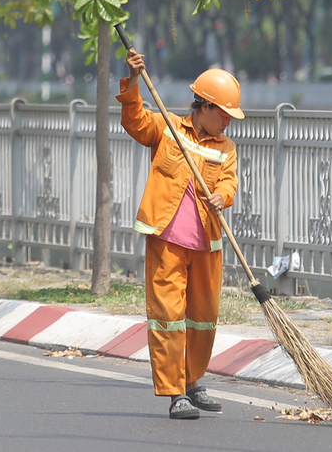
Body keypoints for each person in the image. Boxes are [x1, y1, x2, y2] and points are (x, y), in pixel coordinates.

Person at [116, 51, 243, 419]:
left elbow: (231, 181)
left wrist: (223, 195)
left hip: (207, 245)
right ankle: (175, 394)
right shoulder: (168, 129)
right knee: (169, 317)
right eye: (224, 114)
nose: (228, 122)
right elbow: (136, 121)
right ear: (204, 107)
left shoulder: (226, 148)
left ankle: (193, 381)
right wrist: (134, 78)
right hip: (167, 242)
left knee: (203, 318)